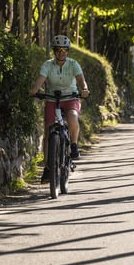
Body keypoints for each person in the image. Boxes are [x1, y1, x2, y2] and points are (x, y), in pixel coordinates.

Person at [29, 35, 90, 181]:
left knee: (73, 118)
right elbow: (41, 80)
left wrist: (85, 89)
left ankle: (74, 146)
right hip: (52, 99)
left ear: (68, 51)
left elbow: (81, 80)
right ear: (54, 51)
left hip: (71, 98)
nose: (61, 53)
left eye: (64, 50)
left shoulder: (73, 64)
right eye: (58, 50)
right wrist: (34, 90)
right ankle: (48, 168)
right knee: (49, 131)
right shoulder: (47, 65)